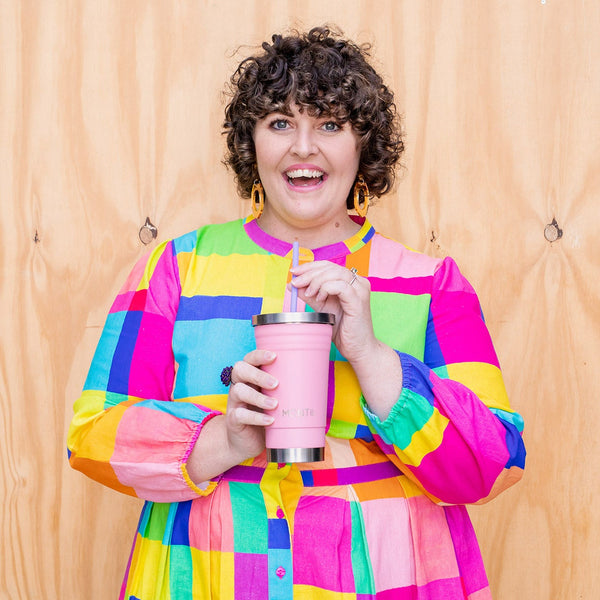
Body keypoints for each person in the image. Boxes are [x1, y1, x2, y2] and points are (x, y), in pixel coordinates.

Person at [68, 26, 526, 600]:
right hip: (208, 578)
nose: (304, 147)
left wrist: (371, 356)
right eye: (280, 122)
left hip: (389, 581)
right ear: (251, 142)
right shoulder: (178, 267)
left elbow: (494, 466)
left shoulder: (431, 284)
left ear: (363, 145)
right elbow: (94, 435)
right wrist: (227, 440)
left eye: (330, 124)